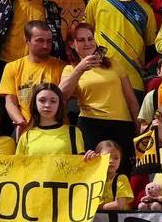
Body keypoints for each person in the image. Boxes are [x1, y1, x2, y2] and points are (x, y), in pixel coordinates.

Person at [59, 22, 141, 159]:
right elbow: (61, 95)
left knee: (122, 168)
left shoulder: (113, 64)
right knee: (94, 168)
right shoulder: (70, 69)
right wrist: (79, 69)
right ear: (72, 44)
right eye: (81, 40)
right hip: (90, 125)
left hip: (122, 124)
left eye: (90, 39)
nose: (87, 43)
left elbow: (132, 100)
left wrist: (139, 129)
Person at [83, 0, 157, 90]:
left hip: (134, 78)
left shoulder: (145, 9)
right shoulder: (96, 2)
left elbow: (151, 46)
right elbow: (85, 38)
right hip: (102, 76)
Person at [0, 22, 66, 135]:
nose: (45, 46)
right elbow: (10, 102)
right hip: (26, 129)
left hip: (57, 130)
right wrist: (20, 122)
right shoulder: (13, 67)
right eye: (40, 41)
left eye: (49, 41)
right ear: (27, 40)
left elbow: (66, 99)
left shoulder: (62, 67)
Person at [15, 83, 84, 156]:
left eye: (53, 101)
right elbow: (19, 163)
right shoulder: (26, 136)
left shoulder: (73, 132)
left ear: (59, 105)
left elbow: (81, 161)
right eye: (42, 100)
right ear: (35, 104)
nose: (47, 105)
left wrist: (90, 157)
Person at [94, 140, 134, 211]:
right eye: (107, 157)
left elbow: (119, 205)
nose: (111, 161)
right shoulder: (94, 179)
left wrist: (95, 208)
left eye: (116, 158)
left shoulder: (121, 178)